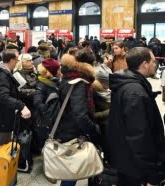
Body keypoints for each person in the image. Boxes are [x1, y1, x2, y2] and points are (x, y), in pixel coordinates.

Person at [108, 47, 165, 186]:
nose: (155, 64)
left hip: (127, 162)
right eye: (152, 61)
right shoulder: (134, 92)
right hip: (135, 168)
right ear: (144, 64)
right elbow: (139, 137)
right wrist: (152, 173)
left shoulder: (129, 85)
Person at [56, 49, 100, 186]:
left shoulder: (69, 75)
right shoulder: (79, 82)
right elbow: (80, 114)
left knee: (72, 169)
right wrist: (93, 129)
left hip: (66, 125)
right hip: (73, 131)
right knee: (72, 171)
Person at [0, 49, 31, 152]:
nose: (18, 61)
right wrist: (21, 105)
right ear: (11, 60)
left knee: (3, 143)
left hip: (1, 115)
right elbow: (4, 97)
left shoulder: (3, 72)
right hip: (1, 117)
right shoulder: (2, 76)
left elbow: (9, 91)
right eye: (17, 59)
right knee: (1, 145)